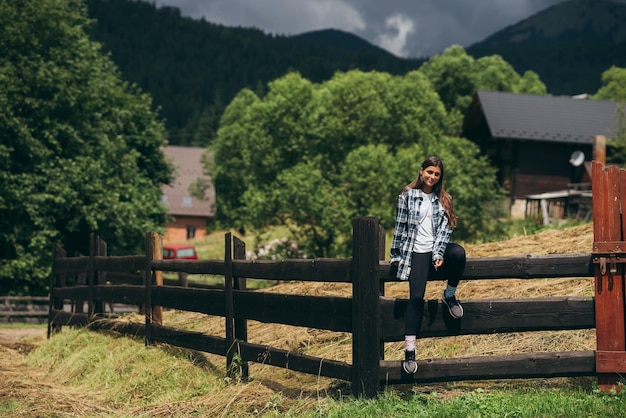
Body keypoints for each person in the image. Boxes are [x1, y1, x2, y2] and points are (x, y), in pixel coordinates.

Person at [389, 156, 466, 374]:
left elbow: (445, 230)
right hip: (416, 251)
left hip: (435, 249)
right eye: (429, 172)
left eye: (436, 174)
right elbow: (400, 227)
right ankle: (410, 352)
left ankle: (449, 295)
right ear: (421, 171)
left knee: (459, 253)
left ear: (440, 177)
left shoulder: (444, 199)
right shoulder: (407, 196)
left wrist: (439, 252)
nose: (432, 177)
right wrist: (395, 255)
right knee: (416, 297)